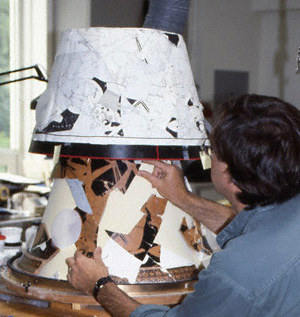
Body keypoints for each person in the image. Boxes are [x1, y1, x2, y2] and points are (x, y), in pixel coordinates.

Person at [66, 94, 300, 316]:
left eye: (213, 151)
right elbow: (255, 228)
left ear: (230, 177)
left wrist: (98, 285)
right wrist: (182, 197)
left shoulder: (234, 273)